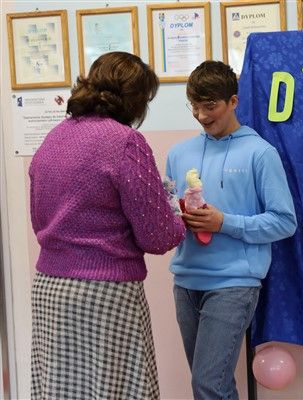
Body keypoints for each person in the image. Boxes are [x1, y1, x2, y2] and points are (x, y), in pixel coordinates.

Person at [28, 52, 186, 400]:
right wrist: (180, 220)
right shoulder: (125, 142)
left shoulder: (54, 138)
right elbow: (157, 237)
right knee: (116, 391)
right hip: (104, 292)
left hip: (49, 289)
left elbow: (39, 217)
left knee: (59, 391)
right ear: (136, 99)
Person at [166, 60, 297, 400]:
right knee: (214, 385)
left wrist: (224, 222)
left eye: (210, 106)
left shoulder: (260, 153)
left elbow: (284, 221)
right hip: (185, 282)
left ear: (233, 101)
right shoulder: (178, 154)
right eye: (194, 106)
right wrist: (174, 218)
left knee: (208, 385)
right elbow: (168, 210)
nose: (201, 115)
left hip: (234, 284)